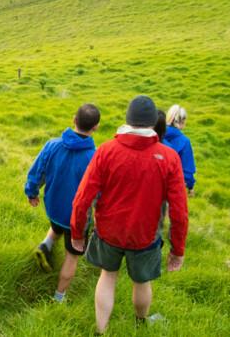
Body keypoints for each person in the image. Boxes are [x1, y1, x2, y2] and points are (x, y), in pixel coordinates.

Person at [70, 96, 188, 334]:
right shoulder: (169, 158)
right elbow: (179, 212)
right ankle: (141, 323)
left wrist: (77, 232)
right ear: (152, 124)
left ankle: (100, 331)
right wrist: (178, 250)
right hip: (145, 235)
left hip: (107, 232)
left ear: (128, 119)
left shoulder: (105, 150)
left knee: (107, 276)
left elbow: (83, 198)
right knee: (142, 282)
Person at [25, 103, 101, 304]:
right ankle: (58, 299)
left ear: (74, 120)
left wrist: (31, 193)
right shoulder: (95, 158)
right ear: (95, 127)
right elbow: (99, 194)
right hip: (78, 218)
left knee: (57, 226)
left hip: (54, 208)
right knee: (72, 256)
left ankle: (45, 245)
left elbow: (36, 173)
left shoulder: (52, 145)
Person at [164, 105, 196, 196]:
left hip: (153, 182)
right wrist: (190, 186)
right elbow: (187, 168)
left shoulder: (157, 134)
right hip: (172, 185)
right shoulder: (184, 141)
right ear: (183, 121)